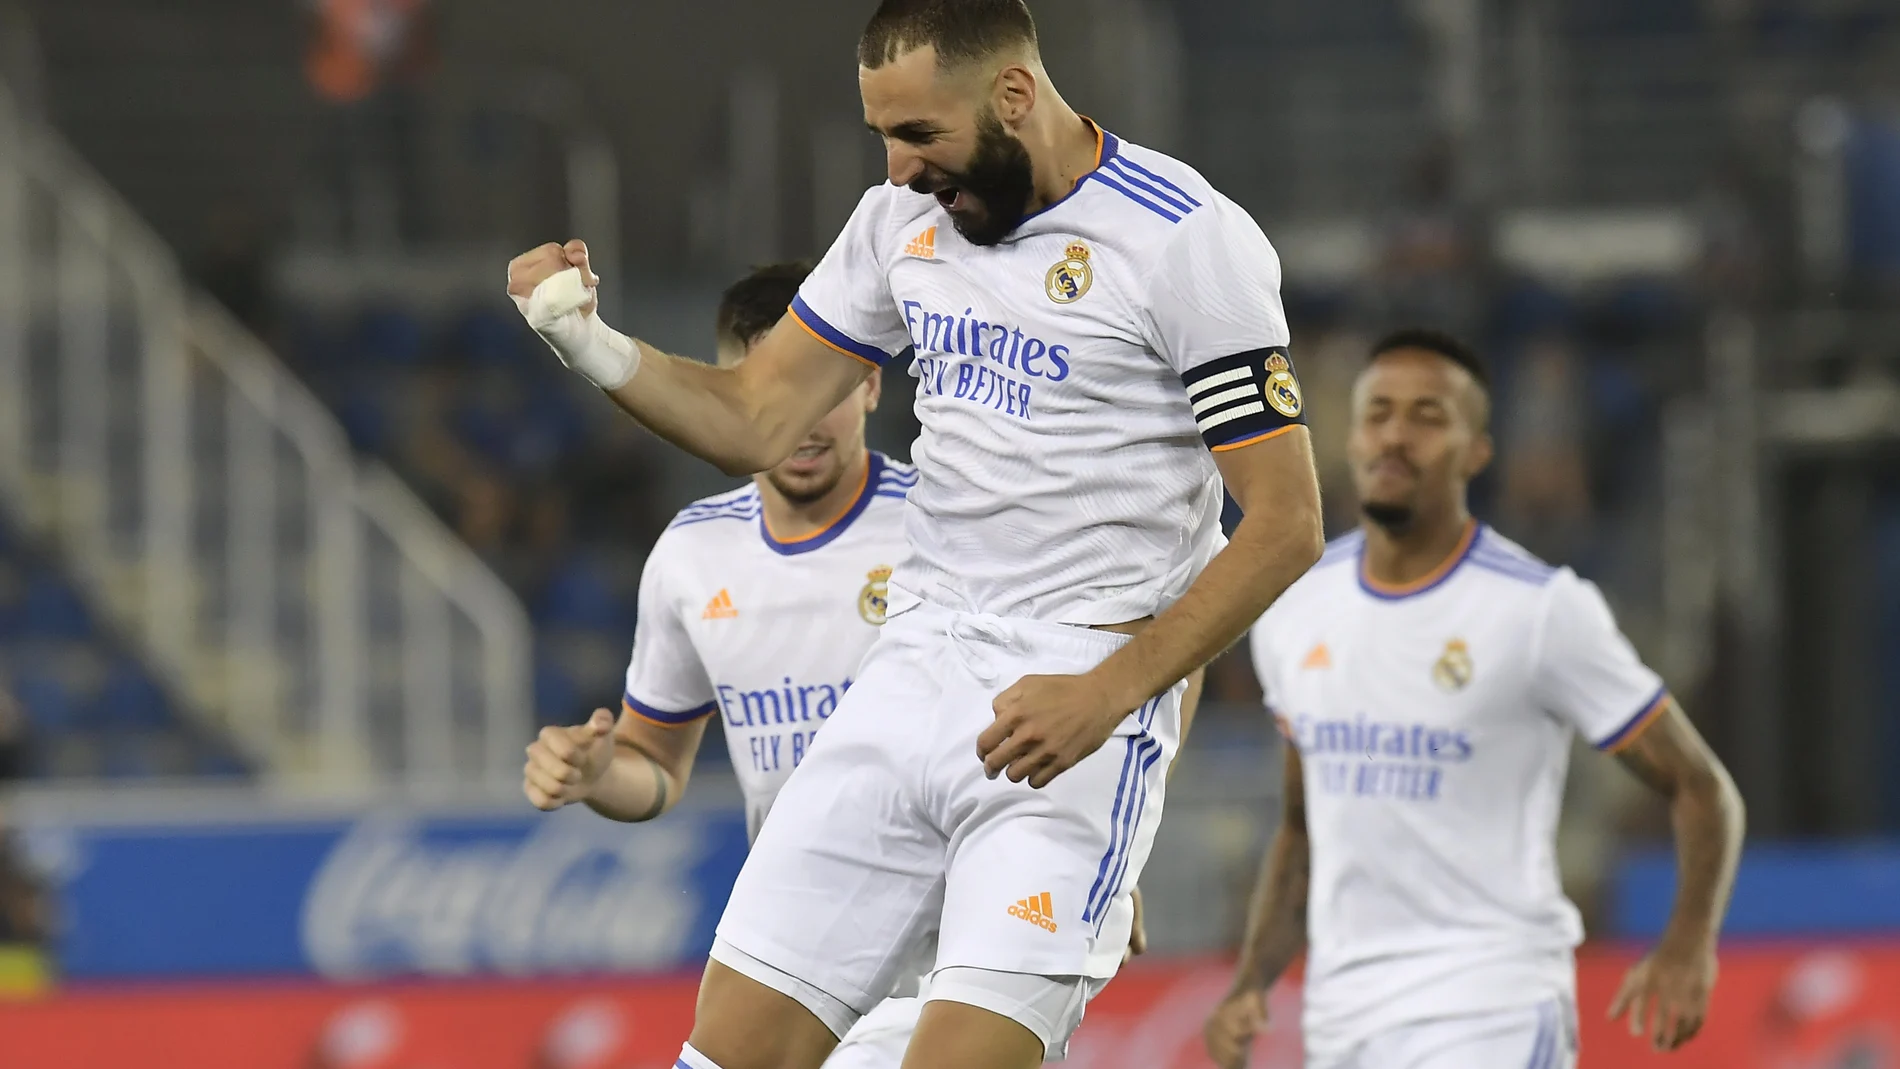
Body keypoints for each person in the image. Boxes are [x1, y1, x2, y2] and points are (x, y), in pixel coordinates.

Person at [506, 2, 1325, 1065]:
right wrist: (584, 339)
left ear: (1014, 96)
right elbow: (751, 418)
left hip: (1070, 705)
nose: (898, 169)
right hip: (911, 672)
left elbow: (1286, 524)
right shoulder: (899, 223)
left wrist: (1110, 691)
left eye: (921, 136)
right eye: (881, 136)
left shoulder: (1183, 240)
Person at [522, 261, 1205, 1067]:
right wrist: (601, 772)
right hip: (807, 939)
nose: (804, 422)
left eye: (827, 391)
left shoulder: (953, 524)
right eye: (775, 391)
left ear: (872, 386)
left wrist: (1109, 839)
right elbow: (656, 766)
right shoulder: (691, 556)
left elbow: (1151, 638)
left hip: (950, 955)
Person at [1202, 329, 1746, 1069]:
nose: (1396, 434)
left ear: (1476, 452)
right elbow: (1302, 827)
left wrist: (1688, 942)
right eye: (1378, 413)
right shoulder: (1297, 607)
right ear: (1350, 437)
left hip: (1492, 1005)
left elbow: (1700, 786)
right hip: (1344, 1018)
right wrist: (1250, 982)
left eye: (1427, 416)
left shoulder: (1541, 610)